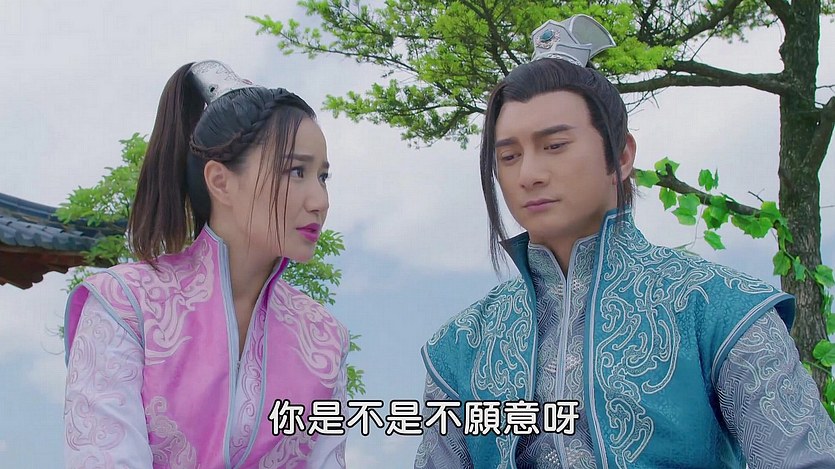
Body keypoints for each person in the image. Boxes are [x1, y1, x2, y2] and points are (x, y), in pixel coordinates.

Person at [415, 15, 835, 469]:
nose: (529, 174)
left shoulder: (718, 309)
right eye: (509, 156)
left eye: (554, 146)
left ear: (621, 154)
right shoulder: (461, 346)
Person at [63, 60, 349, 468]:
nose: (319, 201)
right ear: (220, 181)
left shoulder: (324, 337)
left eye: (323, 177)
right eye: (296, 171)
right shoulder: (126, 306)